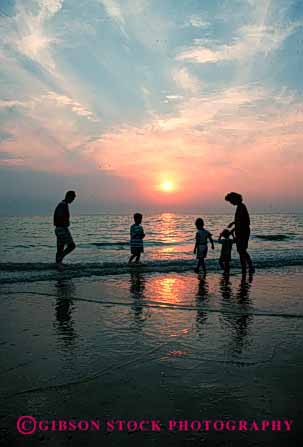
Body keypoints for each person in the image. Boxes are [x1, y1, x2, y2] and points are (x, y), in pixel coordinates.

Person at [225, 192, 255, 275]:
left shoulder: (241, 207)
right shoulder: (240, 207)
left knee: (242, 250)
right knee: (241, 251)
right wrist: (233, 223)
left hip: (243, 232)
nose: (231, 203)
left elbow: (244, 222)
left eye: (231, 201)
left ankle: (249, 267)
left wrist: (233, 229)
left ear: (235, 199)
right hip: (240, 231)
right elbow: (240, 220)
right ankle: (245, 268)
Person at [53, 191, 76, 269]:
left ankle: (58, 264)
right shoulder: (63, 205)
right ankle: (59, 260)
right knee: (71, 246)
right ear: (68, 196)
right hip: (61, 228)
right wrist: (65, 223)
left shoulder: (63, 204)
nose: (73, 200)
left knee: (60, 248)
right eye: (73, 198)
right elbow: (59, 216)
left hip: (59, 228)